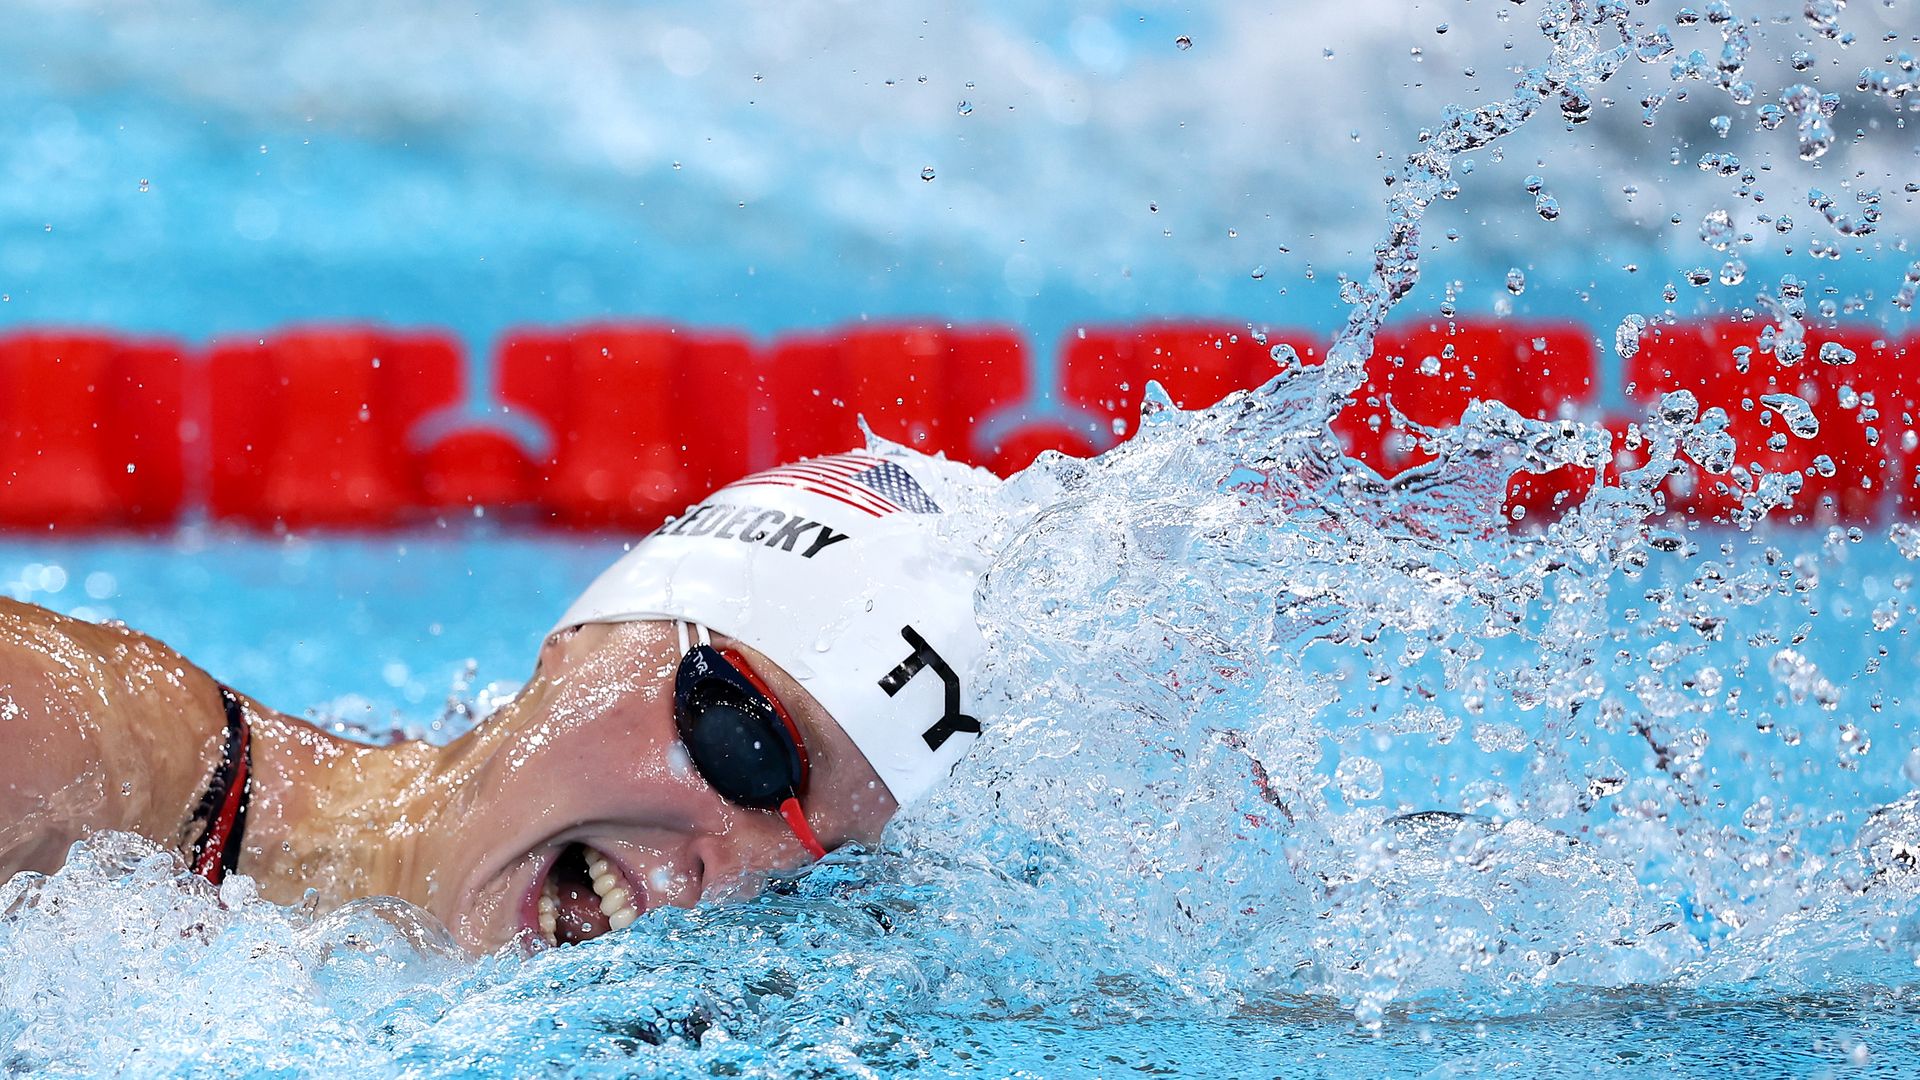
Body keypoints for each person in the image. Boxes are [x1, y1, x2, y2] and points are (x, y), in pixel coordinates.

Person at [0, 449, 994, 953]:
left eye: (818, 883)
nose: (731, 879)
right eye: (748, 746)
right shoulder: (65, 746)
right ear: (585, 639)